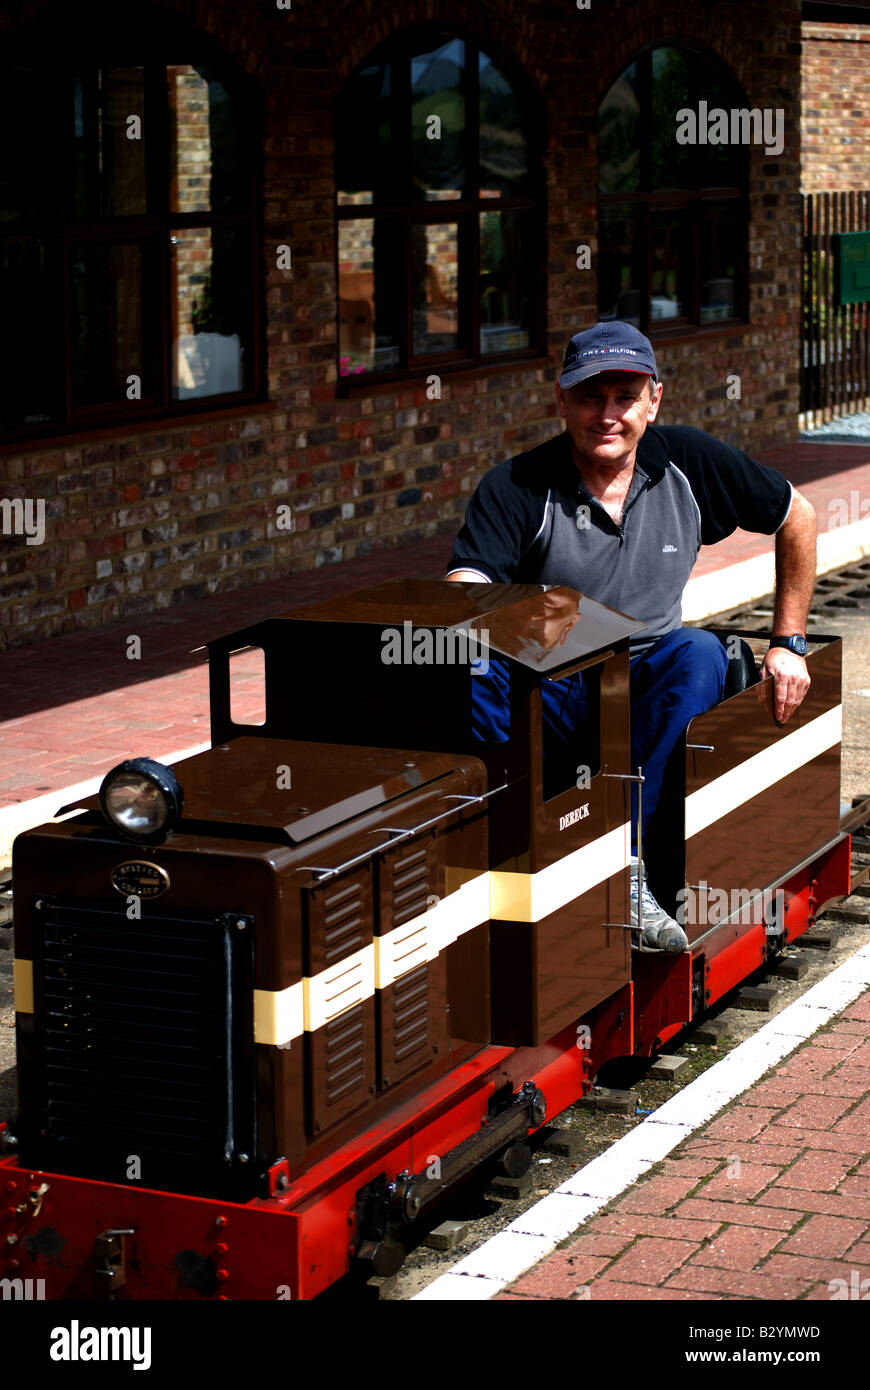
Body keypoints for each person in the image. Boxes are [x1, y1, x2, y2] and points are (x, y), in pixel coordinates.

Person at [447, 321, 816, 951]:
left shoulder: (689, 462)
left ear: (654, 401)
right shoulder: (517, 485)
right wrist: (508, 612)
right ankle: (504, 841)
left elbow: (797, 516)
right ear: (562, 401)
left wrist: (789, 642)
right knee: (472, 658)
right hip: (551, 692)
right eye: (590, 397)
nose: (607, 415)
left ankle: (625, 870)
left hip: (644, 689)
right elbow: (466, 585)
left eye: (625, 397)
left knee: (699, 652)